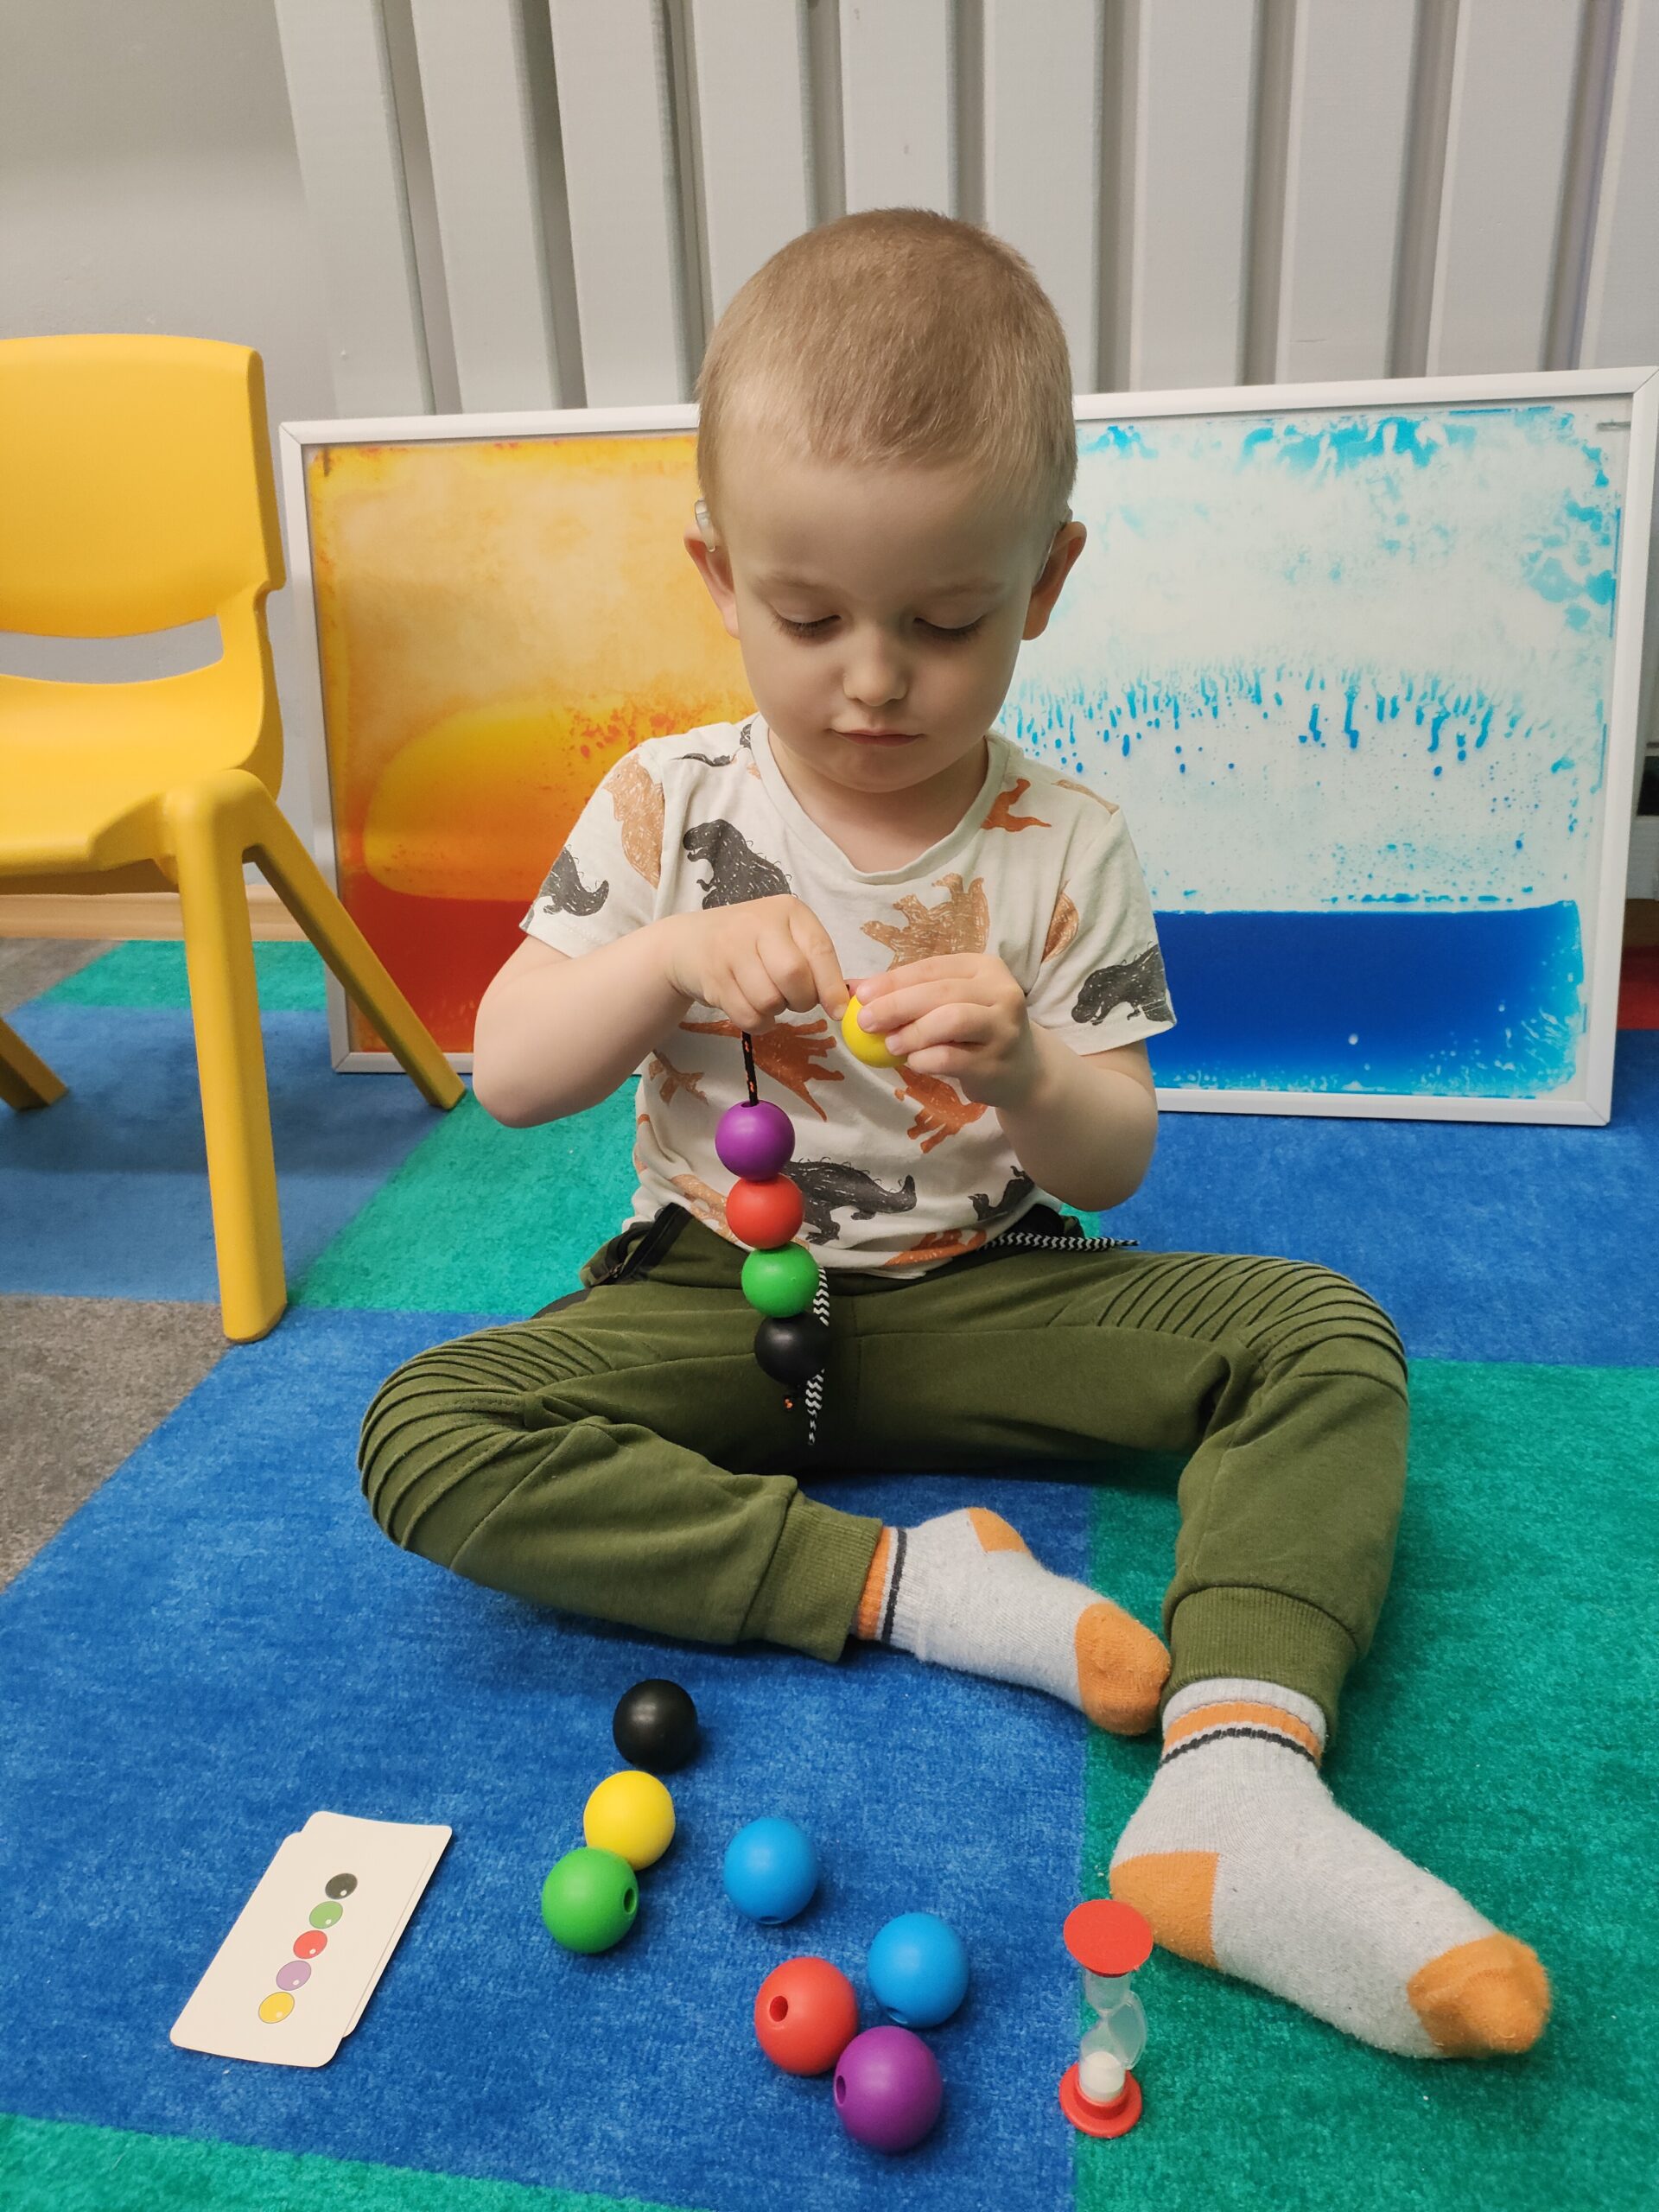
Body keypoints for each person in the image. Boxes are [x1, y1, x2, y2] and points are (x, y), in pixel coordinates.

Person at [359, 209, 1548, 2063]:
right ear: (718, 573)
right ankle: (922, 1585)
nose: (873, 679)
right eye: (809, 615)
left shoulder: (1064, 842)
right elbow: (508, 1070)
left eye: (944, 620)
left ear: (1045, 579)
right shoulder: (664, 802)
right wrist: (660, 961)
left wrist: (1028, 1074)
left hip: (983, 1293)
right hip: (718, 1302)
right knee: (424, 1426)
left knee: (1320, 1335)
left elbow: (1114, 1160)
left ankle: (1236, 1780)